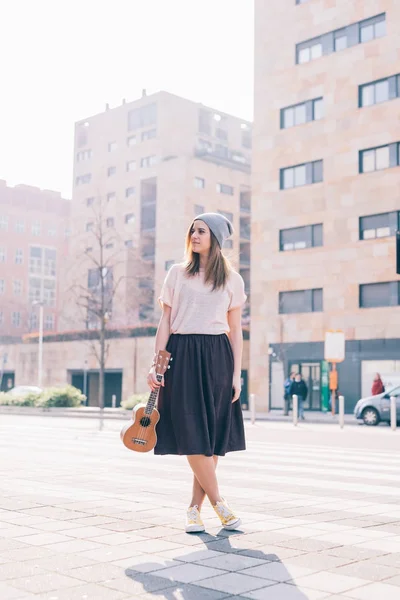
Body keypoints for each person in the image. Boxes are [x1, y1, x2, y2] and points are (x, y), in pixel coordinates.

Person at [147, 212, 247, 533]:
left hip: (218, 357)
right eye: (192, 231)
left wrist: (236, 375)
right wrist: (157, 364)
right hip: (182, 355)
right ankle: (220, 504)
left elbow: (236, 331)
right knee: (192, 432)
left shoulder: (232, 279)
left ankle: (193, 510)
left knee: (211, 438)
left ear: (215, 238)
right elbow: (166, 321)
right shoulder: (177, 274)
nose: (194, 236)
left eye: (201, 231)